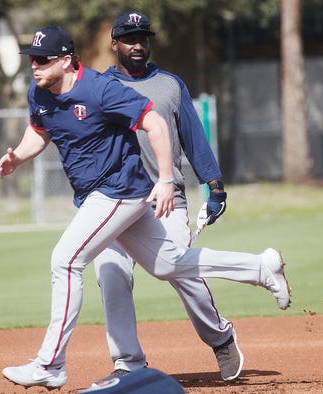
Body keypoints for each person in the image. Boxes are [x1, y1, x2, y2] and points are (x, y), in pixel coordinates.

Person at [0, 25, 290, 390]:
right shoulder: (39, 92)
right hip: (98, 195)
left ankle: (50, 364)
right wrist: (18, 157)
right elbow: (38, 131)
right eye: (32, 59)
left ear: (67, 60)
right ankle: (261, 267)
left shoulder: (100, 88)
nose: (35, 65)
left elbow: (154, 123)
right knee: (169, 263)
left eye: (42, 59)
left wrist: (166, 178)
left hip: (119, 190)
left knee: (66, 260)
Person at [90, 10, 260, 385]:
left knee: (181, 268)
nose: (138, 44)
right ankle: (127, 363)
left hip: (166, 201)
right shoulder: (100, 87)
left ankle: (220, 337)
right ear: (114, 44)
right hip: (117, 201)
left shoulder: (169, 84)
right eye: (130, 38)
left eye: (144, 37)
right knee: (111, 273)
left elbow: (193, 137)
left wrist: (214, 186)